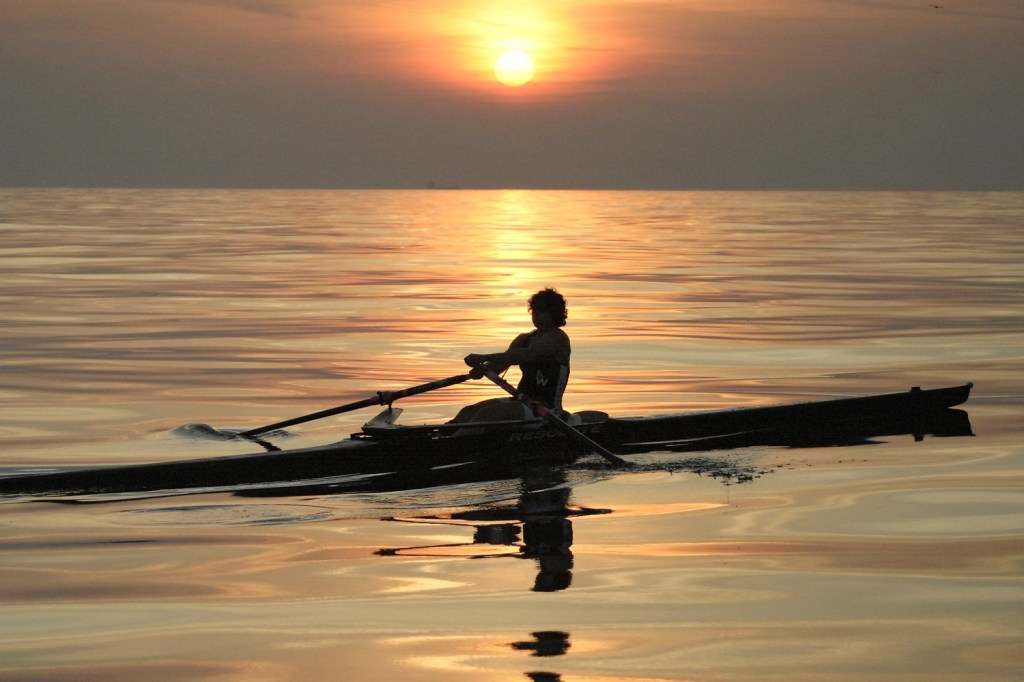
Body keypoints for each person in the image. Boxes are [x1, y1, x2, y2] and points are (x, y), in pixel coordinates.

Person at [452, 288, 571, 423]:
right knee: (469, 411)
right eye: (534, 311)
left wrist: (483, 357)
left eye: (542, 312)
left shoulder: (558, 338)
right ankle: (442, 437)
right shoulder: (523, 339)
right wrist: (482, 369)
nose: (536, 316)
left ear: (554, 314)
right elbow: (503, 362)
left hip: (547, 409)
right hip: (522, 401)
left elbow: (524, 356)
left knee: (489, 413)